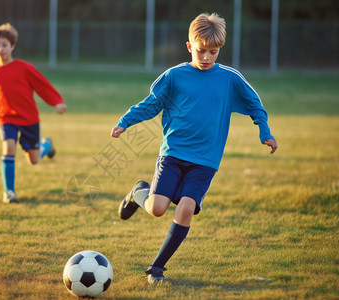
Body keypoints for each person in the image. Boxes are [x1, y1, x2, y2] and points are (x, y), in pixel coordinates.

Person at [111, 13, 278, 284]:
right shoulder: (175, 76)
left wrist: (265, 132)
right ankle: (138, 192)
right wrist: (125, 122)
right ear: (189, 46)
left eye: (213, 52)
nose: (207, 57)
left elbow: (254, 104)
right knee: (156, 208)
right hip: (173, 154)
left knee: (186, 208)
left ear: (219, 50)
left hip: (205, 161)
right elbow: (151, 103)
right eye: (201, 51)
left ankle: (156, 269)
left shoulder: (230, 79)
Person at [0, 23, 67, 204]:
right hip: (6, 119)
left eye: (4, 45)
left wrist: (56, 101)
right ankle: (9, 192)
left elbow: (42, 85)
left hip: (29, 119)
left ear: (12, 46)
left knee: (33, 160)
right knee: (8, 147)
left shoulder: (24, 67)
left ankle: (46, 146)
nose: (1, 49)